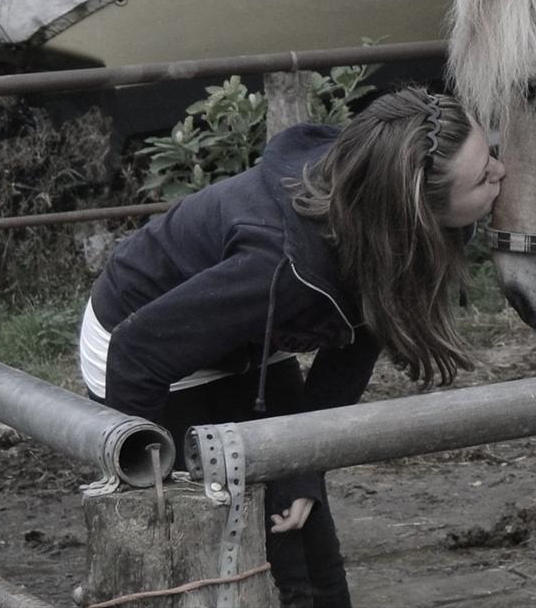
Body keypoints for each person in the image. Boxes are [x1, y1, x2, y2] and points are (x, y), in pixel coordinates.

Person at [78, 86, 505, 607]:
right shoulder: (283, 268)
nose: (501, 176)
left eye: (492, 160)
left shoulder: (374, 214)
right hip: (144, 347)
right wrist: (148, 480)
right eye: (484, 177)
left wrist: (303, 468)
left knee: (300, 518)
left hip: (245, 336)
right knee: (216, 535)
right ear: (417, 206)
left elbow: (352, 350)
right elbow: (136, 351)